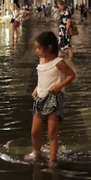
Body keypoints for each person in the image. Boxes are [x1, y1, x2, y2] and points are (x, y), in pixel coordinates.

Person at [27, 31, 76, 167]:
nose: (36, 51)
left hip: (54, 98)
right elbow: (42, 76)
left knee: (51, 133)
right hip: (40, 97)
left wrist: (58, 86)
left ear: (48, 48)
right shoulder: (41, 61)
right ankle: (36, 152)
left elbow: (71, 75)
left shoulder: (58, 62)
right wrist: (36, 88)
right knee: (35, 131)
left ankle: (52, 160)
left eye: (38, 47)